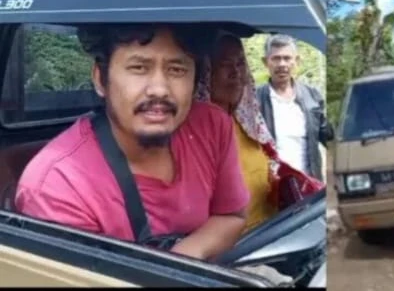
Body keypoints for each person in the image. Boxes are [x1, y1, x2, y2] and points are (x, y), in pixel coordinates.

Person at [15, 24, 250, 261]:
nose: (159, 89)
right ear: (100, 79)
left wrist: (184, 257)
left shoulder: (211, 125)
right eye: (139, 68)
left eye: (177, 70)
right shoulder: (59, 185)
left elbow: (231, 215)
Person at [198, 32, 278, 232]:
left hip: (275, 235)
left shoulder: (248, 124)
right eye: (225, 64)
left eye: (240, 63)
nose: (235, 73)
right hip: (237, 251)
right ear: (206, 72)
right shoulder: (196, 135)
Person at [255, 34, 331, 181]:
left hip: (309, 185)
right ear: (266, 62)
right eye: (276, 58)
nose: (282, 64)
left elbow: (327, 136)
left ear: (297, 61)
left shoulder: (312, 96)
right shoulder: (254, 99)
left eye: (287, 58)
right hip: (271, 187)